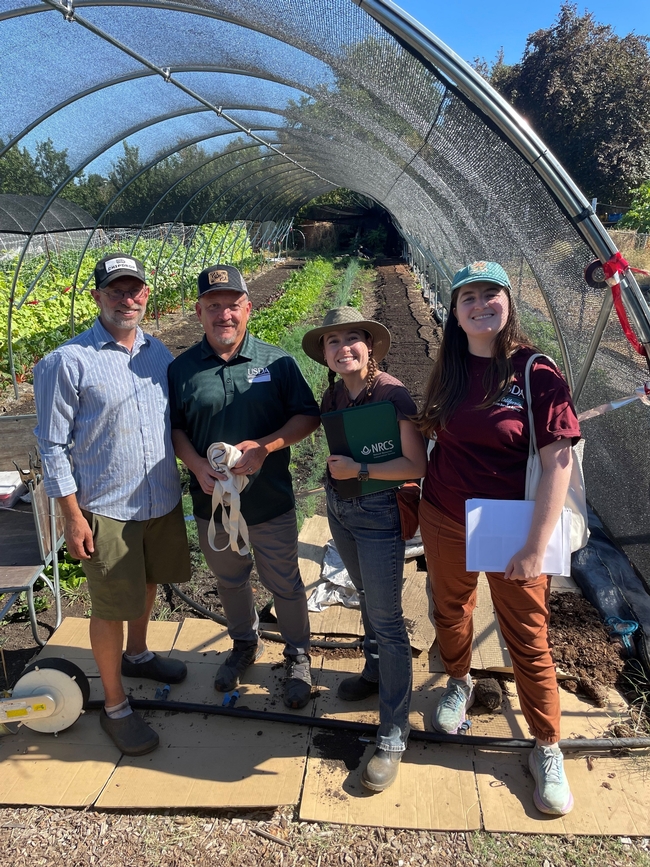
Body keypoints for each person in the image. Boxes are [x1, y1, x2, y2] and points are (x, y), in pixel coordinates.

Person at [415, 261, 581, 816]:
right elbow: (434, 435)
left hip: (511, 526)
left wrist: (536, 544)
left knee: (528, 636)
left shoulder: (535, 373)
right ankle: (458, 682)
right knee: (451, 609)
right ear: (455, 313)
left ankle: (546, 744)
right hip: (444, 516)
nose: (480, 305)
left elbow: (558, 461)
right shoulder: (451, 369)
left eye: (491, 294)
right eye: (469, 298)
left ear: (508, 303)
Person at [33, 253, 191, 757]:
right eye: (116, 290)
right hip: (105, 507)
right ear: (98, 296)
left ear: (147, 294)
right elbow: (52, 445)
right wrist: (71, 513)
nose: (128, 298)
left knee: (147, 579)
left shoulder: (158, 353)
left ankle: (138, 654)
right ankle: (116, 706)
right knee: (107, 606)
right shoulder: (68, 361)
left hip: (159, 497)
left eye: (136, 289)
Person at [168, 264, 320, 709]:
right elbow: (176, 428)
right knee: (230, 580)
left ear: (248, 309)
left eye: (232, 305)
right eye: (213, 306)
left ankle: (297, 655)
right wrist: (196, 464)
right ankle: (243, 645)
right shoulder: (182, 370)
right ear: (199, 312)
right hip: (211, 502)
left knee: (285, 583)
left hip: (269, 500)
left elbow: (307, 416)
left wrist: (267, 447)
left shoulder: (277, 362)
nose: (224, 315)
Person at [302, 307, 427, 792]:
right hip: (342, 509)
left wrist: (362, 473)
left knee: (390, 619)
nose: (343, 349)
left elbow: (416, 464)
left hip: (378, 514)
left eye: (352, 339)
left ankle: (394, 731)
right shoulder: (336, 391)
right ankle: (374, 672)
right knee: (365, 598)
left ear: (370, 346)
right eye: (332, 342)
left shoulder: (391, 394)